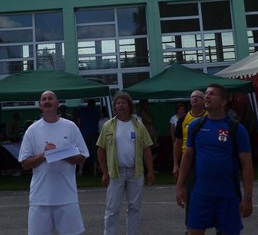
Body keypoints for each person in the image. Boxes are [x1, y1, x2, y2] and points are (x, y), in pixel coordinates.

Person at [176, 84, 254, 235]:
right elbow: (187, 157)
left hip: (227, 195)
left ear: (223, 101)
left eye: (212, 94)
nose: (207, 96)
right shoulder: (196, 126)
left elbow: (246, 164)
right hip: (200, 194)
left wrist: (247, 197)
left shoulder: (236, 129)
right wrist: (180, 186)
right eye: (206, 93)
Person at [18, 90, 89, 235]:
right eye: (44, 99)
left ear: (57, 103)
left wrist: (60, 154)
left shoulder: (70, 126)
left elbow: (82, 157)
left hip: (67, 197)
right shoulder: (32, 130)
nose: (47, 101)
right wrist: (45, 155)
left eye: (50, 98)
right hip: (40, 199)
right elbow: (25, 164)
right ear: (40, 105)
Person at [97, 92, 155, 235]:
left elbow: (147, 149)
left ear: (130, 106)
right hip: (115, 172)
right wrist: (104, 172)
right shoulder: (108, 126)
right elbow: (100, 150)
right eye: (118, 103)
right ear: (114, 107)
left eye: (123, 103)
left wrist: (150, 171)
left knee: (134, 207)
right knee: (112, 208)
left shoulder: (139, 125)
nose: (120, 105)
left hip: (136, 172)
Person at [173, 90, 207, 180]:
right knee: (188, 185)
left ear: (204, 101)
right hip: (188, 159)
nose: (195, 98)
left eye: (198, 97)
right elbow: (177, 144)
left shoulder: (209, 117)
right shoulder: (182, 120)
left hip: (205, 157)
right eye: (192, 97)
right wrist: (176, 164)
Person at [78, 99, 101, 175]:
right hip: (94, 132)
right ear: (94, 104)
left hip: (85, 132)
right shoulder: (96, 111)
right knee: (95, 151)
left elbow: (79, 122)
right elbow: (98, 120)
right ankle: (95, 171)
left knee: (83, 151)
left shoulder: (83, 111)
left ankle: (80, 170)